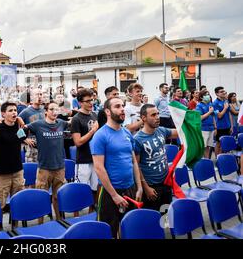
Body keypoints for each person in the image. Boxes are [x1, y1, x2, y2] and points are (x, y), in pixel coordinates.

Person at [90, 97, 143, 238]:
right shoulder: (100, 136)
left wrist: (139, 187)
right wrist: (114, 195)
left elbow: (133, 162)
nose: (122, 109)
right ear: (108, 111)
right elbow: (99, 168)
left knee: (128, 229)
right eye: (117, 106)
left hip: (130, 188)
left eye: (123, 106)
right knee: (108, 231)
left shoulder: (126, 133)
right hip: (109, 192)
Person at [26, 101, 69, 220]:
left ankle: (59, 220)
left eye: (56, 109)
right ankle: (41, 223)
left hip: (60, 168)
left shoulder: (61, 123)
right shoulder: (37, 124)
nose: (54, 112)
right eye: (51, 109)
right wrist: (25, 140)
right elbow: (20, 131)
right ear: (45, 112)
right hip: (44, 169)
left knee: (57, 197)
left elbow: (72, 123)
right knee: (42, 198)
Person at [133, 104, 178, 211]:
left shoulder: (161, 131)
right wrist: (146, 188)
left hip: (166, 182)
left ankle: (164, 227)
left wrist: (190, 122)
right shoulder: (137, 139)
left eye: (158, 114)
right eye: (153, 115)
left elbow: (179, 132)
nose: (157, 117)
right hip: (151, 186)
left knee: (165, 214)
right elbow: (136, 166)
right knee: (152, 218)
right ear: (144, 118)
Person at [0, 102, 33, 210]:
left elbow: (22, 136)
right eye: (10, 110)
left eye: (15, 110)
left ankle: (16, 226)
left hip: (17, 172)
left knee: (18, 203)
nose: (14, 112)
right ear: (3, 114)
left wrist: (21, 121)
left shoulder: (18, 129)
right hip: (2, 174)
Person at [71, 89, 99, 198]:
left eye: (92, 100)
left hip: (95, 158)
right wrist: (92, 131)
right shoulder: (76, 119)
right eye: (87, 101)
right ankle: (76, 215)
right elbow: (78, 142)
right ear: (80, 103)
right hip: (83, 160)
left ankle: (94, 213)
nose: (91, 103)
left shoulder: (94, 115)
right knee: (80, 191)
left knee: (95, 190)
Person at [19, 88, 45, 162]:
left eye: (41, 94)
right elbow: (15, 127)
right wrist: (24, 139)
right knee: (32, 170)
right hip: (31, 146)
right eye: (37, 94)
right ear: (31, 97)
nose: (39, 96)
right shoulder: (26, 111)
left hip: (43, 143)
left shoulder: (44, 110)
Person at [196, 90, 216, 158]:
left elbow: (213, 116)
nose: (208, 96)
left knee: (208, 146)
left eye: (208, 94)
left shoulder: (210, 104)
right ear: (201, 97)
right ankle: (204, 161)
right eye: (206, 95)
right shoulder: (199, 106)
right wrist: (209, 112)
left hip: (211, 128)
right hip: (204, 129)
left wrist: (215, 127)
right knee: (204, 146)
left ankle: (207, 160)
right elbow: (200, 118)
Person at [213, 86, 233, 155]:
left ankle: (224, 158)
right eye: (221, 92)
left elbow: (229, 113)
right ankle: (217, 159)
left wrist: (231, 126)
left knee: (225, 143)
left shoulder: (226, 101)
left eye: (224, 91)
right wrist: (225, 108)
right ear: (217, 94)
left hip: (227, 126)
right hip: (220, 127)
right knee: (218, 143)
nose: (223, 93)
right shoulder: (215, 103)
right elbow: (219, 116)